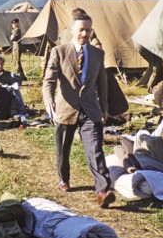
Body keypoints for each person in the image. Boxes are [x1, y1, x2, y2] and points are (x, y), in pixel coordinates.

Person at [42, 13, 115, 208]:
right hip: (65, 108)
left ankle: (103, 190)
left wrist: (104, 108)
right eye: (81, 29)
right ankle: (63, 179)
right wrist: (49, 102)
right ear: (73, 30)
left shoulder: (98, 54)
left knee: (95, 149)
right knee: (63, 149)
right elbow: (48, 80)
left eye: (88, 30)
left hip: (90, 109)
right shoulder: (59, 51)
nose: (84, 33)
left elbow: (103, 83)